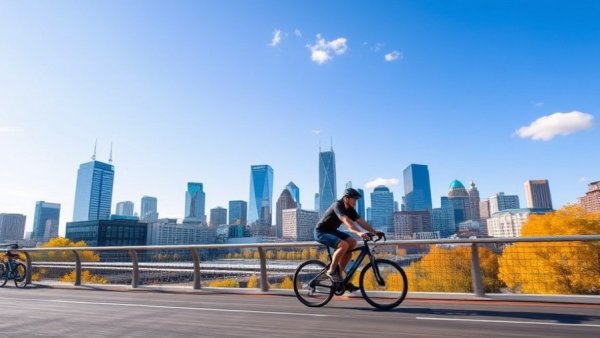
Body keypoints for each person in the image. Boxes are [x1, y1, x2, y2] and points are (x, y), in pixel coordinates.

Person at [314, 188, 384, 284]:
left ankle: (339, 275)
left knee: (352, 243)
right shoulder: (337, 205)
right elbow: (346, 221)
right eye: (354, 199)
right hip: (321, 232)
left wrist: (375, 232)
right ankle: (331, 271)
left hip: (332, 231)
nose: (355, 201)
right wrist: (359, 233)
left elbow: (361, 222)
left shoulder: (351, 210)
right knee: (343, 245)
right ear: (346, 198)